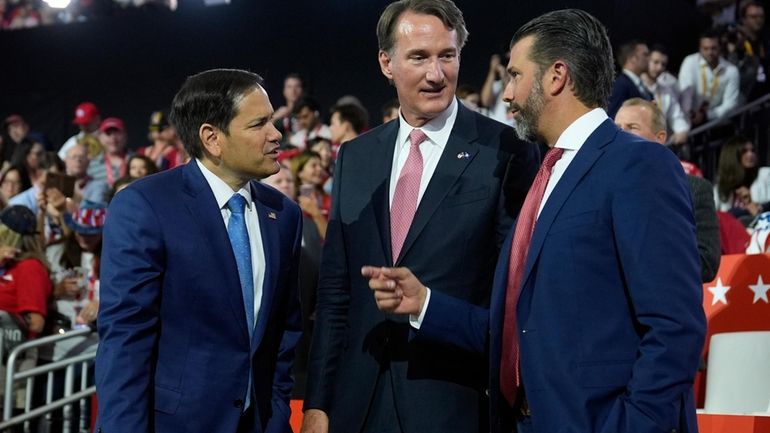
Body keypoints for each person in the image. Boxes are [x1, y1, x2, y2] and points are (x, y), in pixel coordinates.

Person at [365, 9, 705, 433]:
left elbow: (676, 325)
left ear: (556, 76)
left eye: (515, 75)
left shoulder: (639, 165)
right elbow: (518, 330)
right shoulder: (543, 178)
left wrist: (633, 424)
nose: (506, 94)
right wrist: (425, 303)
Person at [300, 1, 539, 432]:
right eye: (419, 57)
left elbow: (513, 301)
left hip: (452, 402)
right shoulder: (356, 156)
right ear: (386, 63)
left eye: (447, 56)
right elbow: (336, 292)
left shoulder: (504, 151)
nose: (436, 74)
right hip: (357, 404)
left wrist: (428, 306)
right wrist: (318, 402)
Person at [95, 68, 303, 433]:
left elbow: (284, 332)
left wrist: (278, 412)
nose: (276, 134)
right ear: (212, 138)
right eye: (259, 124)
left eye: (272, 121)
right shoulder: (145, 206)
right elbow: (126, 341)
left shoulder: (284, 215)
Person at [615, 98, 720, 282]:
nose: (621, 134)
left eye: (632, 127)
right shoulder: (602, 185)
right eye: (617, 128)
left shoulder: (694, 189)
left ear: (660, 138)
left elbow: (707, 263)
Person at [678, 30, 740, 126]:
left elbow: (730, 103)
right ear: (700, 48)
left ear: (720, 47)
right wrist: (690, 113)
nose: (710, 52)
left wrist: (707, 115)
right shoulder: (690, 62)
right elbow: (685, 91)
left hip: (717, 123)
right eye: (705, 48)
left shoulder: (731, 70)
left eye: (713, 48)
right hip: (690, 120)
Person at [606, 39, 652, 119]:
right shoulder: (620, 86)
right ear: (632, 58)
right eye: (645, 54)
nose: (649, 59)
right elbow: (614, 118)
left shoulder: (639, 84)